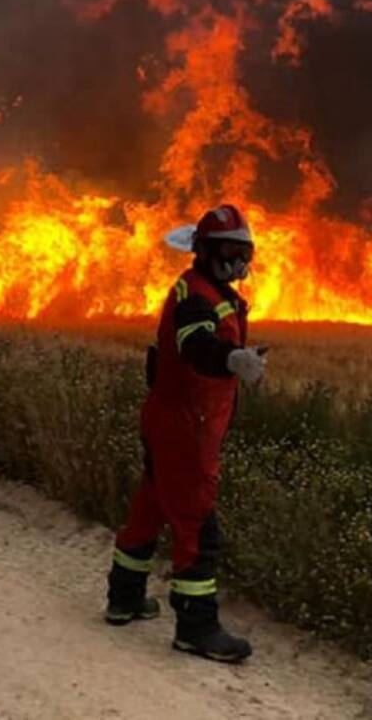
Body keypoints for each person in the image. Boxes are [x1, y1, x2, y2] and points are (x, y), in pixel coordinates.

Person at [104, 204, 266, 663]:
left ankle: (125, 598)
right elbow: (196, 344)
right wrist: (233, 360)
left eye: (244, 253)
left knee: (150, 507)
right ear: (206, 252)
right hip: (186, 431)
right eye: (229, 253)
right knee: (197, 526)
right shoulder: (198, 296)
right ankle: (196, 628)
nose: (238, 264)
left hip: (168, 420)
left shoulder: (207, 289)